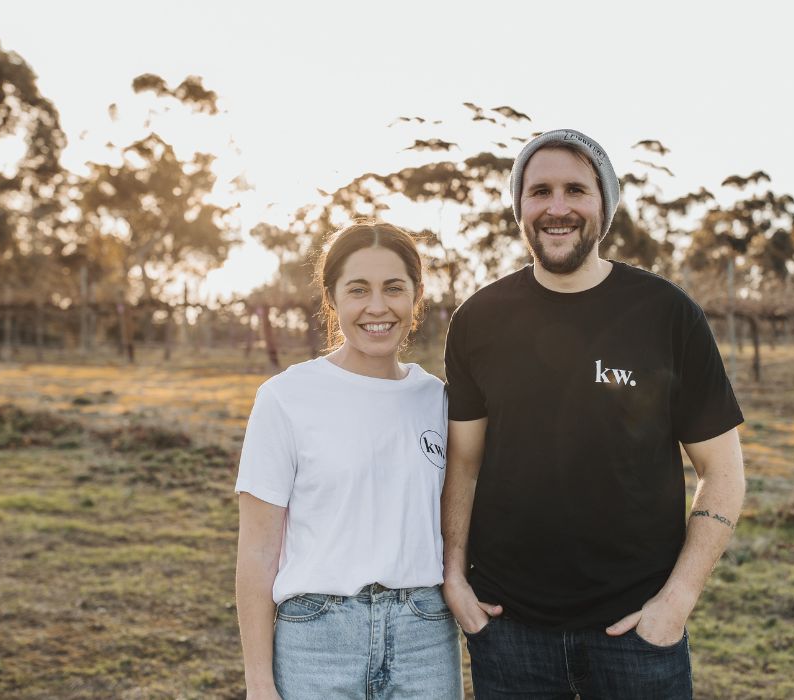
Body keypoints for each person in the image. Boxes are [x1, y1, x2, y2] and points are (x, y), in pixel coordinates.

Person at [442, 129, 746, 698]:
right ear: (520, 207)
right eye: (540, 192)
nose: (557, 208)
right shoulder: (479, 320)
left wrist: (675, 603)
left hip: (637, 632)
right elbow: (462, 463)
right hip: (509, 632)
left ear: (604, 205)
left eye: (576, 190)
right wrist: (454, 575)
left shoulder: (666, 315)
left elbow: (723, 473)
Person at [234, 221, 461, 699]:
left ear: (416, 295)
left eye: (394, 288)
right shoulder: (285, 398)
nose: (377, 307)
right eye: (358, 290)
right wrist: (258, 681)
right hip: (316, 639)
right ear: (332, 297)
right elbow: (256, 552)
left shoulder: (438, 401)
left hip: (424, 636)